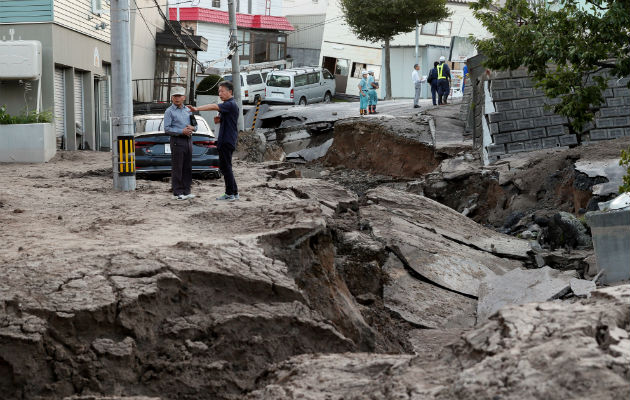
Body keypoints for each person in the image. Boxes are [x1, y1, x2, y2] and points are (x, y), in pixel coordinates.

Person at [188, 81, 240, 201]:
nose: (220, 94)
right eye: (219, 91)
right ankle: (234, 193)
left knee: (225, 167)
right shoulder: (229, 105)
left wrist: (196, 108)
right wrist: (219, 120)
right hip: (226, 139)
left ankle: (229, 194)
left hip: (226, 140)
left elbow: (213, 106)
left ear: (230, 92)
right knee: (227, 167)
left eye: (222, 91)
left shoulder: (230, 104)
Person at [164, 86, 196, 200]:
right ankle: (177, 192)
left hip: (188, 140)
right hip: (177, 141)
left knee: (187, 166)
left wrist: (193, 128)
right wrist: (181, 131)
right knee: (178, 167)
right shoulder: (169, 111)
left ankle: (187, 191)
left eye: (179, 96)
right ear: (171, 98)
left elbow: (195, 125)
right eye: (175, 96)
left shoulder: (188, 110)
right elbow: (167, 129)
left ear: (184, 97)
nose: (177, 98)